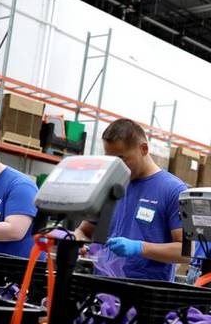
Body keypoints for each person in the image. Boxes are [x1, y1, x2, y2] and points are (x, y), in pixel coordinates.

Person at [75, 119, 187, 281]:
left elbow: (186, 253)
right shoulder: (111, 185)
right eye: (112, 160)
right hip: (103, 292)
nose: (117, 166)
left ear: (143, 149)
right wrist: (77, 241)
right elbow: (85, 231)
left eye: (122, 158)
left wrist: (140, 247)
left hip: (146, 295)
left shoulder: (173, 191)